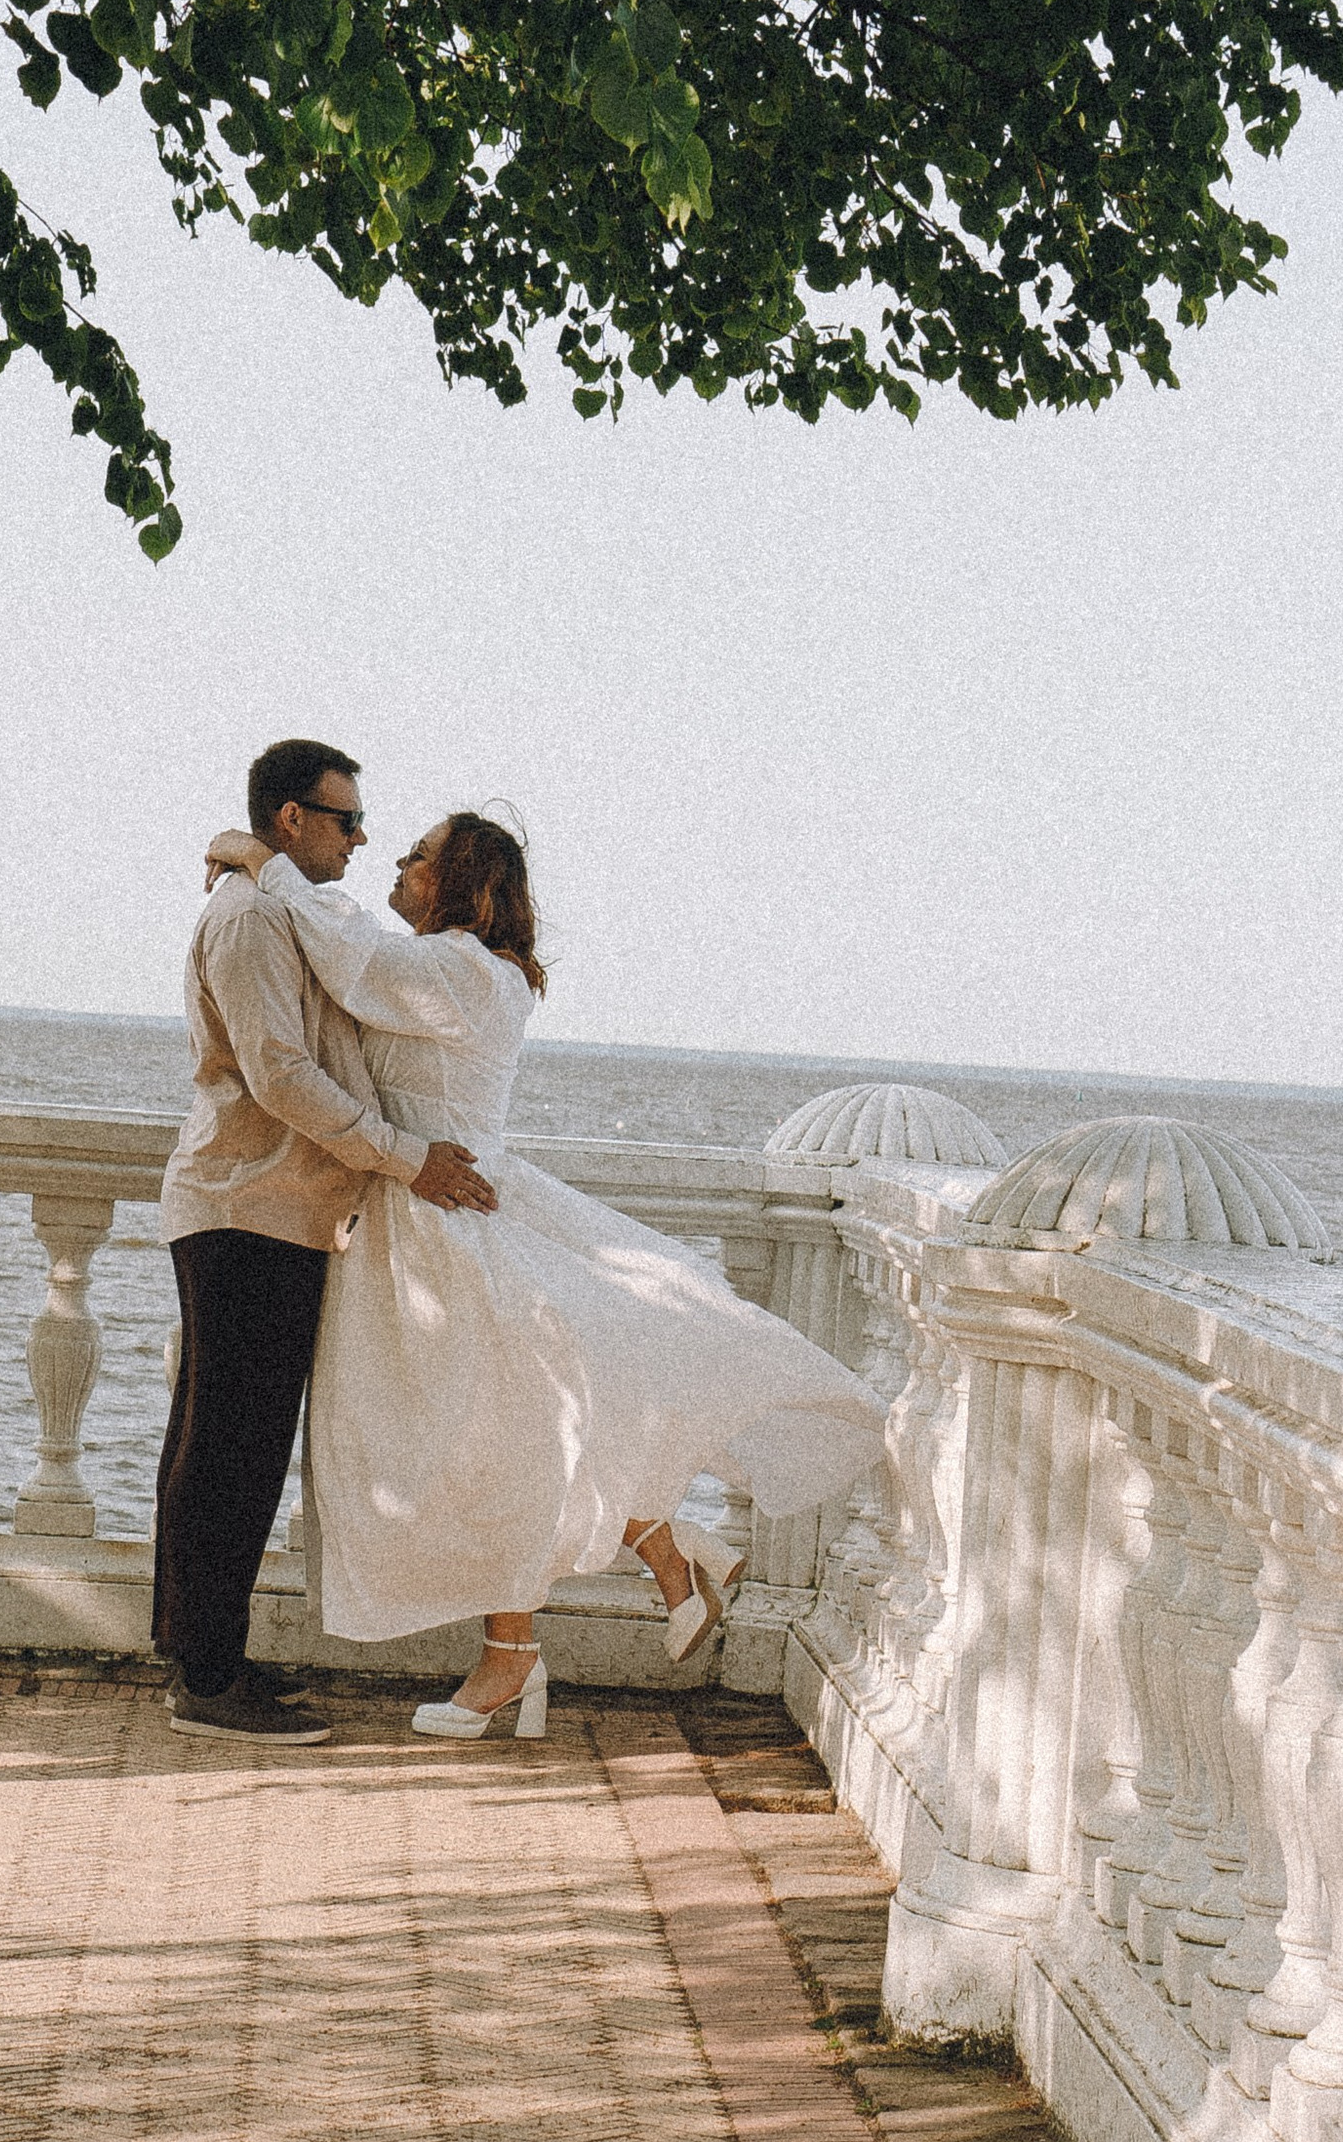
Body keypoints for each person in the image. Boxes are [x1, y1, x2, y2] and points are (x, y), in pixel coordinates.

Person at [199, 806, 886, 1737]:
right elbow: (352, 954)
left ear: (463, 885)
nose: (395, 862)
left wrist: (262, 861)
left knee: (480, 1441)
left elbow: (351, 954)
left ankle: (527, 1646)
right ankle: (649, 1544)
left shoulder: (457, 970)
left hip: (446, 1223)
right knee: (487, 1437)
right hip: (428, 1213)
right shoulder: (468, 971)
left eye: (419, 855)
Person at [153, 738, 501, 1743]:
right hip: (246, 1204)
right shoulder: (254, 914)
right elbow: (279, 1075)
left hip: (275, 1207)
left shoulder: (275, 902)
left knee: (227, 1446)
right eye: (345, 820)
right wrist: (407, 1158)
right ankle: (207, 1680)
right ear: (291, 819)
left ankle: (203, 1659)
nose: (361, 838)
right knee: (228, 1451)